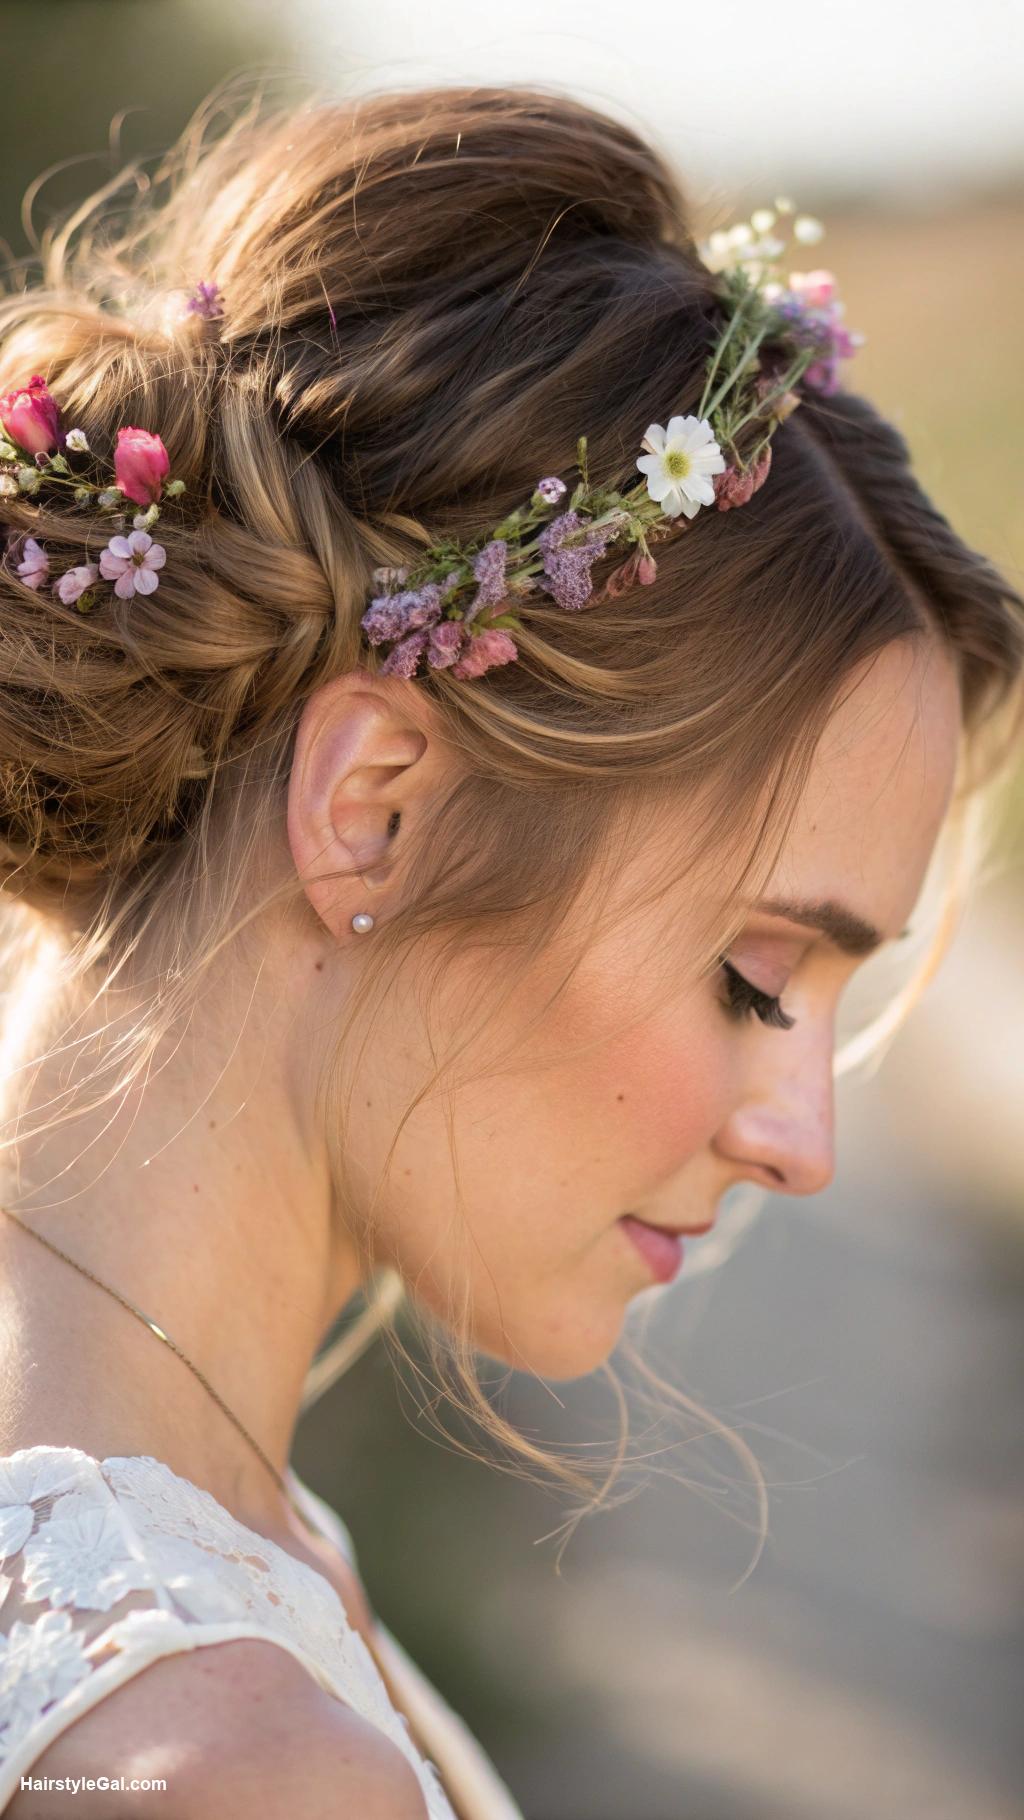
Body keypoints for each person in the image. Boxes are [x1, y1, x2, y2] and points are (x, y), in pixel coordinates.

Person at [0, 79, 1021, 1820]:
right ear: (374, 810)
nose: (804, 1142)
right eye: (756, 975)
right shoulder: (226, 1769)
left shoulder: (184, 1578)